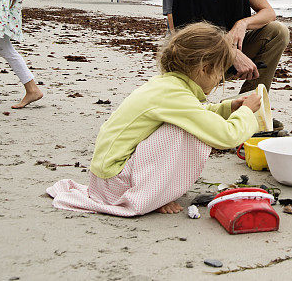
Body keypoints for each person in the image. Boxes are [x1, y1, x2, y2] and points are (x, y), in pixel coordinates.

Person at [47, 22, 262, 216]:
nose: (218, 81)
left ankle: (152, 191)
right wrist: (247, 112)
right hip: (114, 186)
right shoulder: (174, 95)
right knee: (182, 131)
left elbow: (197, 113)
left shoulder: (168, 86)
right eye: (219, 74)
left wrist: (227, 108)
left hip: (104, 180)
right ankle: (151, 195)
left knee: (189, 123)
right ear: (204, 68)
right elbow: (226, 136)